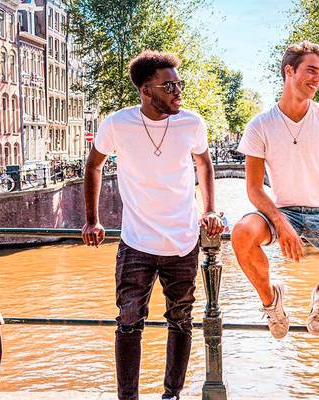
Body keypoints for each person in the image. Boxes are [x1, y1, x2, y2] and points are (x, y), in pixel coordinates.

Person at [81, 50, 223, 400]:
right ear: (147, 90)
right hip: (136, 242)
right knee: (128, 323)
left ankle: (171, 395)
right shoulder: (118, 123)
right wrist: (91, 219)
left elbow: (204, 164)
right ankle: (127, 397)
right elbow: (93, 166)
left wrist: (210, 210)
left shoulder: (191, 122)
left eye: (179, 84)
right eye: (170, 85)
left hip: (184, 240)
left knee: (181, 319)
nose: (179, 91)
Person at [231, 40, 319, 339]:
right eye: (311, 71)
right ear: (289, 71)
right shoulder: (260, 125)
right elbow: (254, 188)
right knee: (242, 232)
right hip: (282, 211)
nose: (317, 79)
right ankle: (271, 301)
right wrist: (280, 222)